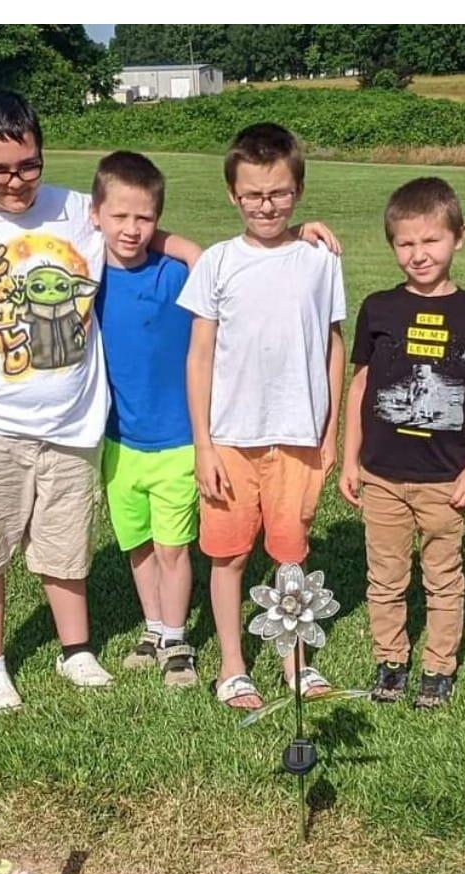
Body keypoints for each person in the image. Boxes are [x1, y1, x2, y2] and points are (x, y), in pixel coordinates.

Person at [0, 90, 198, 713]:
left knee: (65, 544)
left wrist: (199, 251)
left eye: (28, 165)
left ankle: (76, 649)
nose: (17, 181)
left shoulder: (75, 210)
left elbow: (134, 221)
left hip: (72, 424)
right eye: (0, 170)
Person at [178, 123, 347, 711]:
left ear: (298, 190)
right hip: (229, 439)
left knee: (291, 555)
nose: (266, 205)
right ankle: (232, 666)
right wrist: (203, 444)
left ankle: (294, 660)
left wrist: (330, 431)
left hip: (298, 436)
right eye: (253, 194)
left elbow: (332, 346)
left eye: (278, 193)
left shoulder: (321, 259)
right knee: (227, 555)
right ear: (233, 194)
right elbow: (200, 356)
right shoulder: (217, 263)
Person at [339, 176, 465, 710]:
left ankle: (438, 667)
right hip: (382, 475)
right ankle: (390, 660)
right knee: (385, 578)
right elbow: (360, 386)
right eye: (405, 243)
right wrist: (349, 459)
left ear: (459, 237)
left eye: (431, 240)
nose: (419, 254)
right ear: (392, 246)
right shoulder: (378, 308)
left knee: (443, 578)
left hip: (445, 480)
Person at [92, 151, 200, 686]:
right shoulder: (85, 276)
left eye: (145, 218)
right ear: (96, 215)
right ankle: (154, 627)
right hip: (119, 442)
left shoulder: (177, 274)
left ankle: (177, 640)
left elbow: (216, 263)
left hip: (178, 440)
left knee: (172, 546)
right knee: (137, 544)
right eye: (119, 216)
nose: (131, 229)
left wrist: (178, 245)